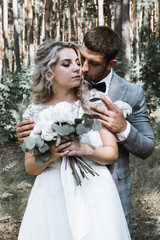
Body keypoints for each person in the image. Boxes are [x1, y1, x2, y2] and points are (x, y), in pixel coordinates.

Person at [16, 26, 155, 225]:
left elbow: (147, 147)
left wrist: (123, 128)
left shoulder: (127, 95)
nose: (81, 68)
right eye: (81, 59)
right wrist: (36, 140)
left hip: (105, 190)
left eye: (93, 63)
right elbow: (31, 160)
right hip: (55, 194)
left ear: (111, 64)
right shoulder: (39, 106)